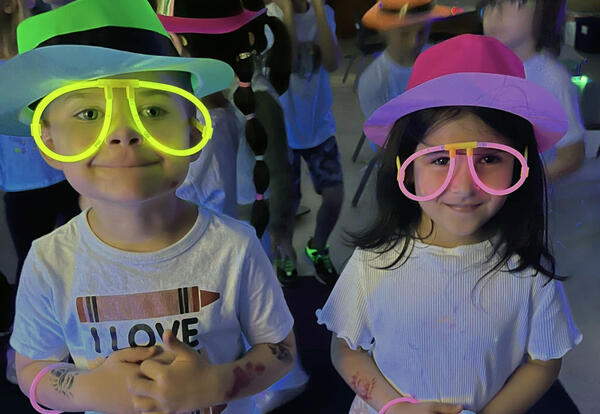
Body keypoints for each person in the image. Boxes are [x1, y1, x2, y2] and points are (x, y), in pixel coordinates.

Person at [1, 1, 296, 413]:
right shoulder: (50, 261)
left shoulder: (236, 247)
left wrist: (216, 383)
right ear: (48, 140)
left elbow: (280, 348)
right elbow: (32, 365)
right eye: (88, 113)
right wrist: (90, 391)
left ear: (194, 128)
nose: (123, 133)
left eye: (153, 109)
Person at [317, 34, 582, 414]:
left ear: (520, 163)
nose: (462, 187)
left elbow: (544, 360)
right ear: (406, 169)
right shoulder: (374, 261)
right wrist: (396, 407)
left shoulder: (529, 273)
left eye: (490, 158)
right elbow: (346, 347)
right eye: (440, 160)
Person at [0, 0, 80, 382]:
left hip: (65, 173)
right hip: (20, 183)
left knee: (82, 260)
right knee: (32, 266)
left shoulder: (44, 43)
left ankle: (82, 346)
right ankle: (23, 358)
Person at [272, 0, 343, 287]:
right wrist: (288, 11)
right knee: (287, 204)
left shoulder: (324, 14)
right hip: (284, 131)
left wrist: (317, 11)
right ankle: (286, 254)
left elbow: (332, 62)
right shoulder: (273, 17)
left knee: (335, 195)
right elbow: (286, 65)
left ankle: (318, 246)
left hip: (319, 128)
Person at [480, 0, 585, 182]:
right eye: (490, 4)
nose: (494, 14)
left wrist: (523, 183)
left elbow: (571, 156)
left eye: (516, 2)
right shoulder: (479, 66)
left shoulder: (551, 79)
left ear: (544, 12)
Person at [357, 0, 462, 120]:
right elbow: (386, 135)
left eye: (422, 32)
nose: (414, 42)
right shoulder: (375, 83)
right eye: (404, 34)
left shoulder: (444, 61)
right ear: (384, 30)